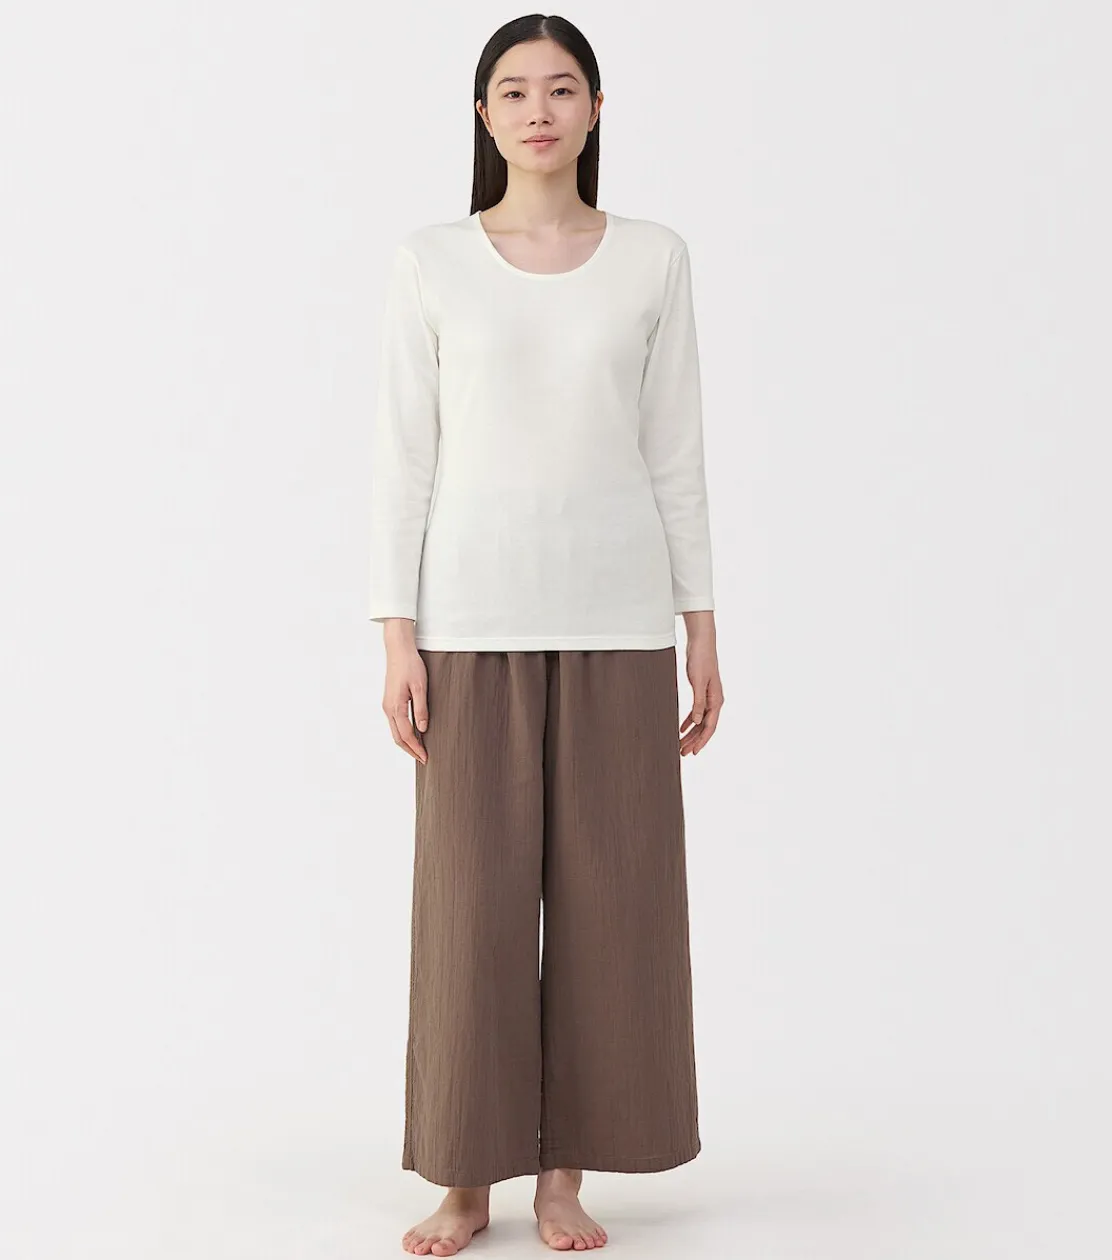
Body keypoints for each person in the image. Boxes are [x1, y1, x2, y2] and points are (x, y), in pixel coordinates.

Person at [368, 14, 724, 1256]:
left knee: (610, 905)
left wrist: (701, 625)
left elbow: (676, 451)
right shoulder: (431, 261)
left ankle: (563, 1178)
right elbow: (403, 458)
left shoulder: (654, 259)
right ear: (484, 115)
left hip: (619, 619)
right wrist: (396, 636)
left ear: (596, 109)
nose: (538, 110)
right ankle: (465, 1181)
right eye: (513, 91)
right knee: (468, 909)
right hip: (469, 620)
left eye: (561, 89)